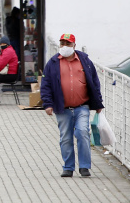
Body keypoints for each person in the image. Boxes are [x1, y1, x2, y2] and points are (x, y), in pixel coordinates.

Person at [40, 33, 104, 178]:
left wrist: (98, 102)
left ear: (74, 46)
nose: (64, 47)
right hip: (62, 108)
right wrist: (47, 104)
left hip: (82, 106)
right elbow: (46, 85)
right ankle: (68, 167)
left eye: (68, 44)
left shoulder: (84, 61)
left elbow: (94, 82)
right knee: (66, 138)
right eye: (62, 43)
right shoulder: (53, 62)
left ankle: (84, 167)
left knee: (82, 133)